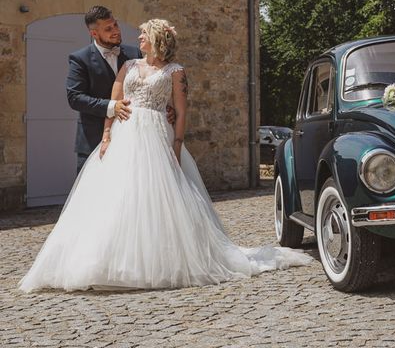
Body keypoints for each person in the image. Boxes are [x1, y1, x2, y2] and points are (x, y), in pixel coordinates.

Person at [19, 19, 311, 292]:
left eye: (145, 34)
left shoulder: (175, 71)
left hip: (158, 134)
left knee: (156, 196)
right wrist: (106, 136)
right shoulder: (129, 64)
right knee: (117, 196)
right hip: (126, 134)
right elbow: (115, 100)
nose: (139, 37)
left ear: (157, 38)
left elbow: (181, 111)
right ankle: (106, 262)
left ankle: (154, 261)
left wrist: (177, 144)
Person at [66, 6, 142, 173]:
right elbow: (75, 97)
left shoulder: (135, 53)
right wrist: (111, 106)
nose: (116, 31)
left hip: (131, 139)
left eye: (115, 25)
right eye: (108, 29)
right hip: (92, 141)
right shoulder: (80, 59)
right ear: (94, 34)